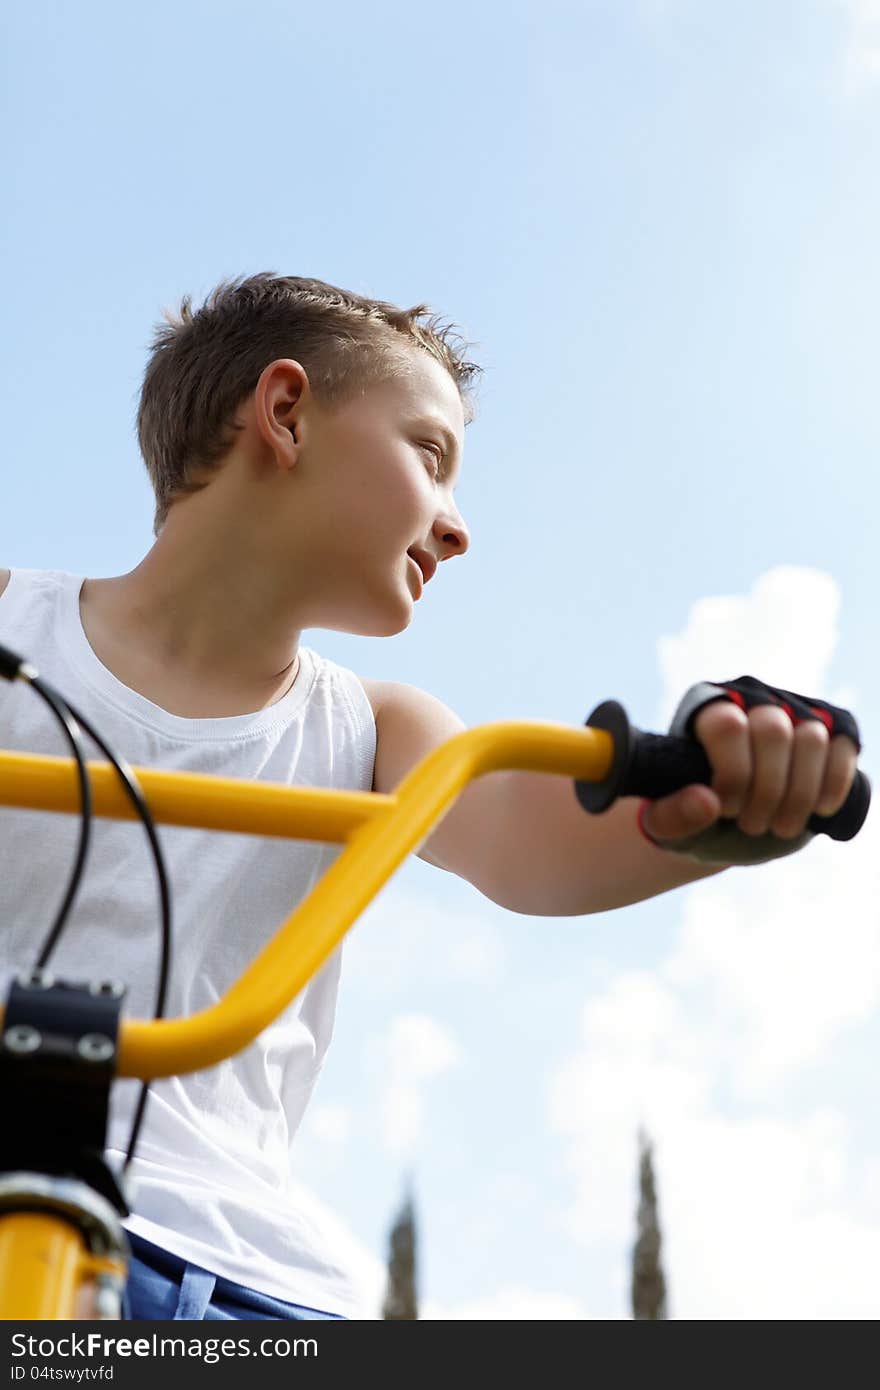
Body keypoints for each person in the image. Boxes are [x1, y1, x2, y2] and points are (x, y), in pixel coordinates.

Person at [0, 274, 859, 1320]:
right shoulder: (15, 627)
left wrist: (718, 798)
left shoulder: (375, 733)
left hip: (242, 1278)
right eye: (430, 456)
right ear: (285, 414)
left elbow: (527, 837)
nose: (456, 530)